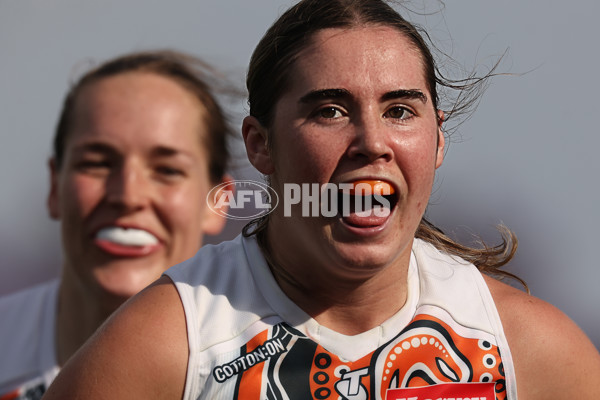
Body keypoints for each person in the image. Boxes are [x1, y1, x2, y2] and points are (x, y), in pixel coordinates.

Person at [43, 1, 600, 399]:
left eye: (400, 111)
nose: (372, 143)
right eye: (330, 111)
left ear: (438, 140)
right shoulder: (168, 346)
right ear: (260, 145)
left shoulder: (528, 351)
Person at [0, 50, 233, 399]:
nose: (127, 195)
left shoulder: (278, 371)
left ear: (218, 202)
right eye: (97, 163)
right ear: (54, 187)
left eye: (167, 170)